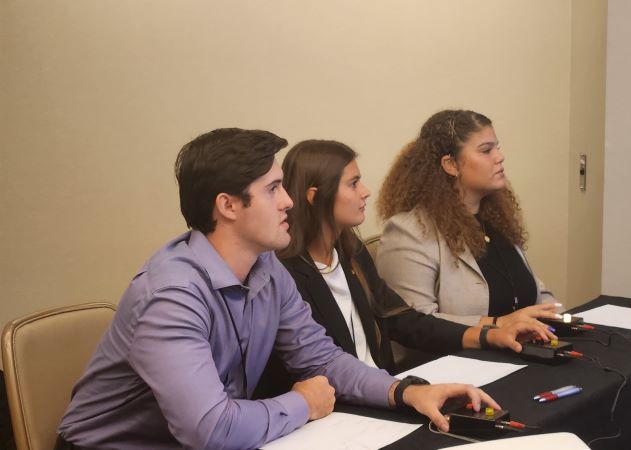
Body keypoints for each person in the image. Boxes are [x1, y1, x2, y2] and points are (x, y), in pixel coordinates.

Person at [56, 128, 499, 450]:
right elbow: (210, 430)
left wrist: (404, 392)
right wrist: (302, 403)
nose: (288, 201)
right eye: (272, 190)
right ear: (228, 206)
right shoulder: (172, 295)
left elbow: (321, 359)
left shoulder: (266, 266)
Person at [273, 139, 555, 378]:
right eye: (354, 183)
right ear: (315, 196)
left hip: (382, 392)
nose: (365, 192)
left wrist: (490, 333)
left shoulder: (352, 253)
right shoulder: (286, 272)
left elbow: (405, 322)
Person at [376, 110, 561, 327]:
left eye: (497, 148)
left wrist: (566, 322)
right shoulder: (409, 232)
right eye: (486, 150)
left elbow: (537, 295)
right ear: (451, 165)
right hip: (458, 358)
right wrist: (499, 326)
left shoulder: (496, 219)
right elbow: (416, 324)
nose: (499, 156)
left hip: (523, 352)